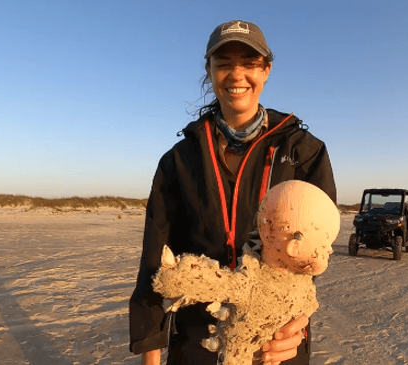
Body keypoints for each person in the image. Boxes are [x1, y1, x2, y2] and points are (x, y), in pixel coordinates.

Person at [129, 20, 337, 365]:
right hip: (197, 338)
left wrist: (297, 328)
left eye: (250, 63)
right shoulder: (179, 160)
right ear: (209, 71)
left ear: (266, 71)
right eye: (224, 63)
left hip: (275, 339)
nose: (237, 75)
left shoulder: (304, 151)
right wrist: (151, 352)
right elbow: (154, 259)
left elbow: (312, 259)